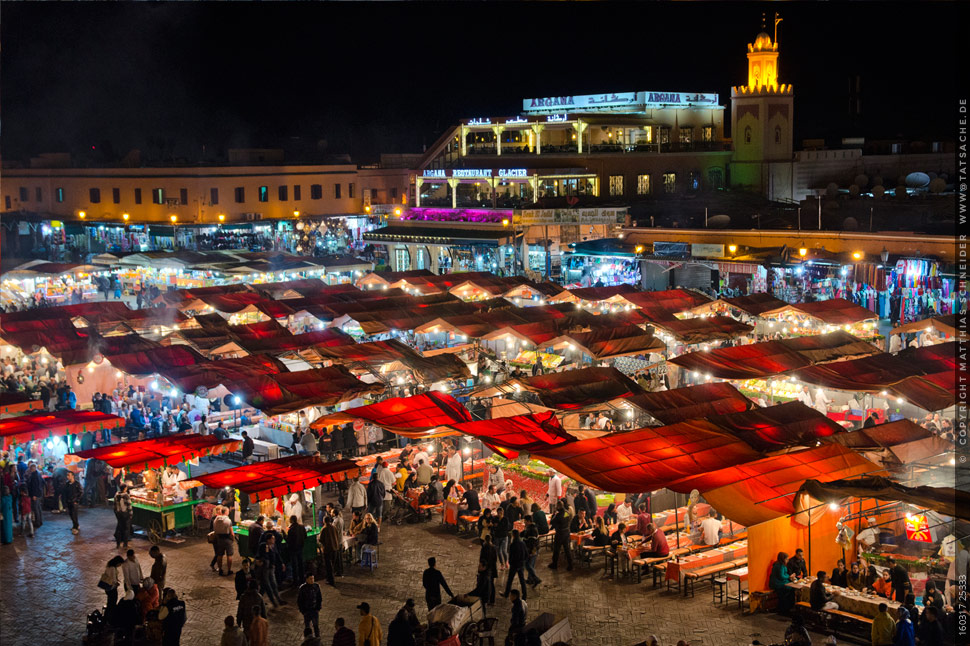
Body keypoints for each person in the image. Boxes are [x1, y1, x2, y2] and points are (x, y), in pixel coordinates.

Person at [255, 536, 285, 608]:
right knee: (267, 585)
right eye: (272, 538)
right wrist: (266, 551)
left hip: (271, 568)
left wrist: (282, 563)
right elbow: (261, 556)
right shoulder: (263, 546)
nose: (274, 540)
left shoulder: (273, 546)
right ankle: (274, 602)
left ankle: (278, 599)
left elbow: (277, 555)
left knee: (271, 584)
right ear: (268, 540)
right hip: (264, 569)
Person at [503, 529, 530, 600]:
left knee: (510, 580)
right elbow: (527, 554)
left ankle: (506, 594)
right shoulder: (522, 543)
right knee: (522, 581)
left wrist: (510, 562)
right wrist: (523, 561)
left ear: (513, 535)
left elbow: (511, 555)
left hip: (514, 565)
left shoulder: (512, 545)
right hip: (521, 564)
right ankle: (524, 595)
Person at [548, 501, 573, 571]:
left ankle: (554, 564)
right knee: (567, 549)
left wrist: (554, 514)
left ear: (558, 506)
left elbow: (552, 522)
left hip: (560, 533)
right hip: (566, 532)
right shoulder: (567, 512)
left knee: (556, 549)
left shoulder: (559, 515)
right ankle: (570, 564)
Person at [298, 573, 323, 638]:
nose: (312, 580)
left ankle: (317, 640)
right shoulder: (302, 588)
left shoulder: (316, 586)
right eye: (310, 579)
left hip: (314, 610)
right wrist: (303, 611)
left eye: (313, 578)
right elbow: (300, 601)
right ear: (306, 579)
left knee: (316, 626)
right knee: (307, 628)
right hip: (307, 611)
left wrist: (318, 608)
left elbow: (319, 598)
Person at [212, 505, 235, 576]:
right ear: (225, 512)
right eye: (228, 511)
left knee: (220, 555)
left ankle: (220, 570)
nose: (228, 513)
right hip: (227, 539)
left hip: (219, 539)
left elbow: (214, 530)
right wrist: (233, 539)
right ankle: (229, 570)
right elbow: (232, 533)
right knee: (229, 555)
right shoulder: (228, 521)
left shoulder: (216, 520)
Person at [319, 514, 341, 586]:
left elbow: (321, 539)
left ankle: (331, 581)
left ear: (324, 521)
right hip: (335, 548)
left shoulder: (324, 529)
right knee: (332, 565)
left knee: (329, 566)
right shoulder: (334, 527)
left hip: (328, 550)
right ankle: (331, 578)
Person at [288, 514, 308, 586]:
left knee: (294, 565)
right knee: (300, 564)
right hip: (300, 547)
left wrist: (284, 534)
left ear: (292, 520)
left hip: (293, 549)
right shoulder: (302, 527)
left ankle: (295, 581)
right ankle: (302, 579)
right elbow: (305, 536)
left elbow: (288, 541)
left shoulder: (291, 529)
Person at [480, 535, 498, 604]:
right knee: (492, 584)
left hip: (486, 569)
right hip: (492, 568)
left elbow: (482, 558)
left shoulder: (484, 547)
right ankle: (492, 600)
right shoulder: (493, 547)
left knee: (486, 584)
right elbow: (495, 559)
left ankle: (486, 598)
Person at [114, 483, 133, 548]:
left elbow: (114, 506)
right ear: (125, 488)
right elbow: (129, 506)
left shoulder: (116, 495)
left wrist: (116, 513)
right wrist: (130, 514)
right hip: (125, 514)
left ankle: (118, 544)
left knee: (120, 528)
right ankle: (125, 544)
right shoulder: (126, 496)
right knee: (126, 529)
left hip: (119, 514)